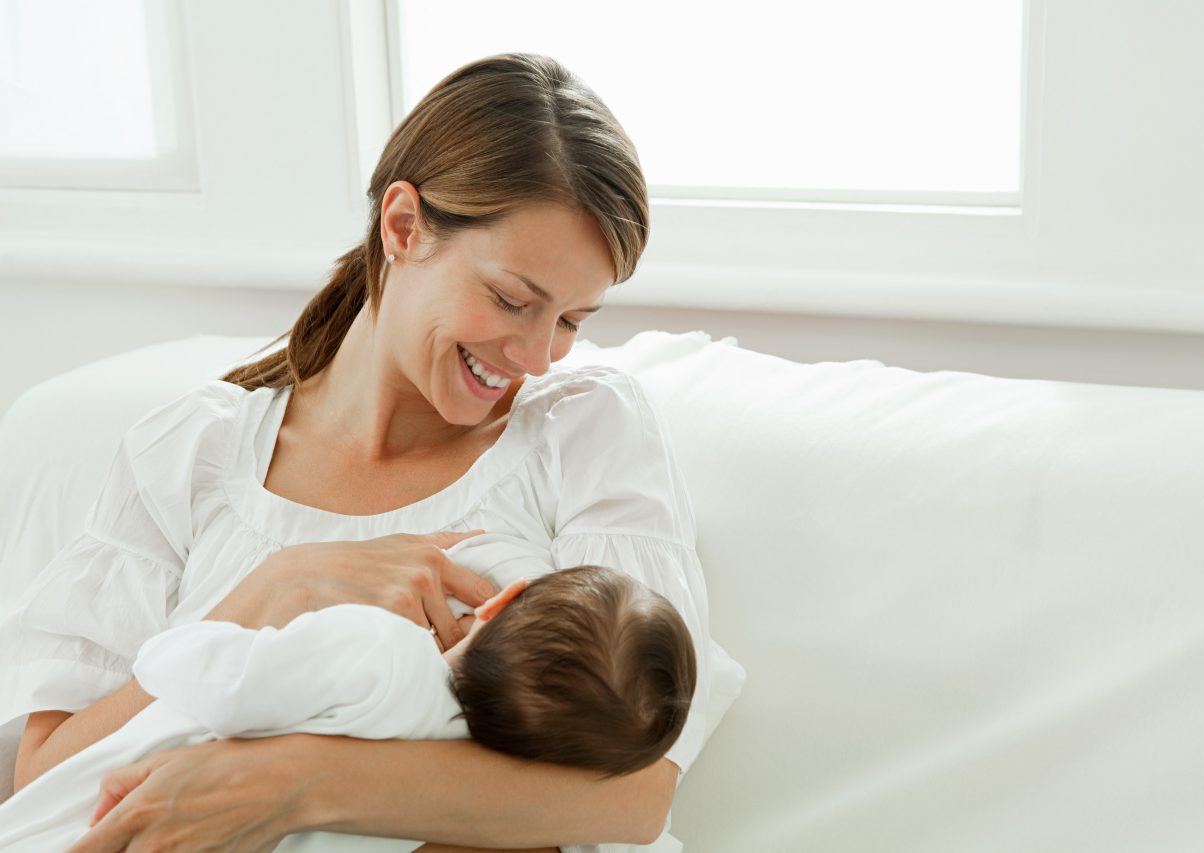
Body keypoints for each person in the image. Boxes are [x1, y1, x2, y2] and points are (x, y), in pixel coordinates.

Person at [0, 51, 745, 852]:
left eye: (570, 320)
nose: (537, 356)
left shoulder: (584, 433)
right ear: (402, 226)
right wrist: (276, 586)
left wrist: (289, 786)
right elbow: (45, 781)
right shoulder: (192, 450)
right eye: (512, 300)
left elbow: (634, 795)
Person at [0, 565, 698, 852]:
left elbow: (230, 683)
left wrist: (179, 643)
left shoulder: (384, 652)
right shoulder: (445, 787)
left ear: (501, 598)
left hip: (89, 815)